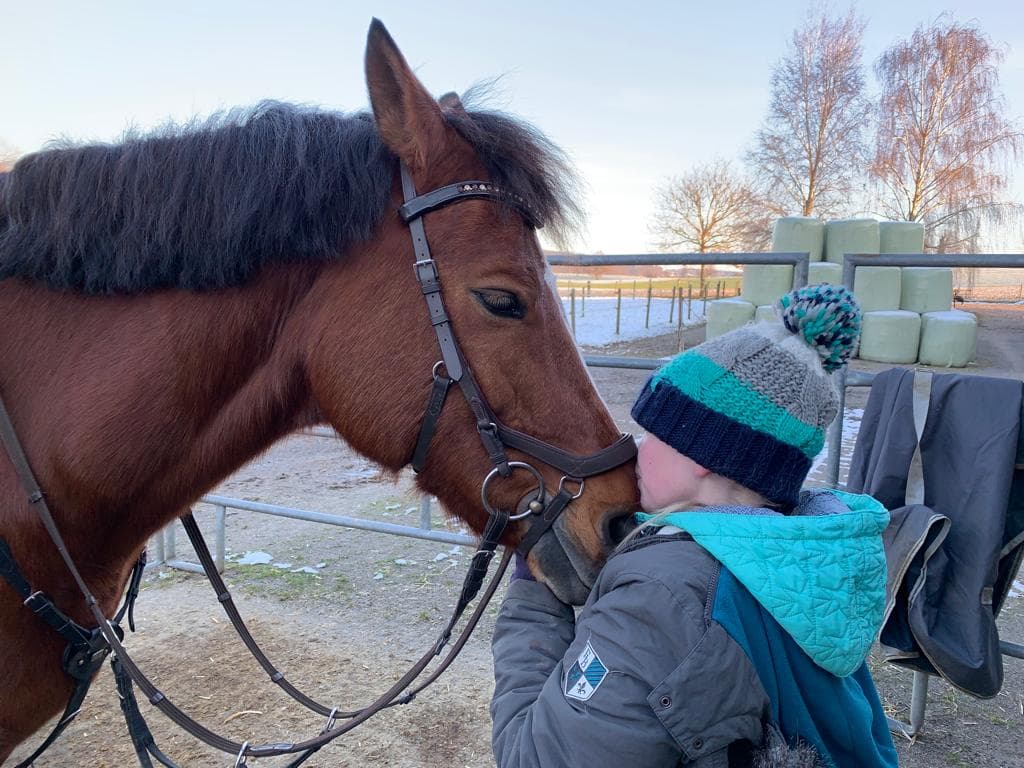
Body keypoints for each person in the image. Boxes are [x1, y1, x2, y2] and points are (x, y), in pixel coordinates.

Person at [490, 284, 899, 767]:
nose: (637, 450)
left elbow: (536, 759)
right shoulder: (803, 565)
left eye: (654, 434)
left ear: (703, 456)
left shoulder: (663, 601)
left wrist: (531, 588)